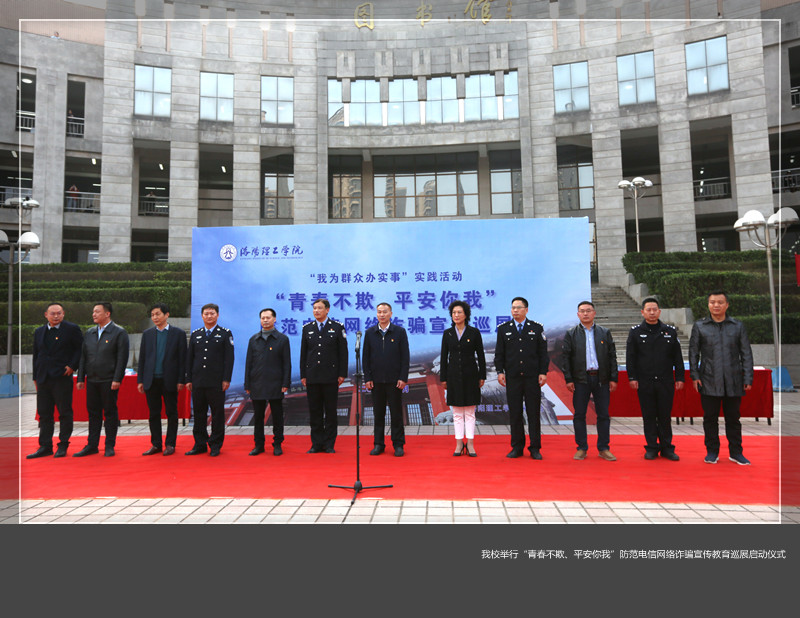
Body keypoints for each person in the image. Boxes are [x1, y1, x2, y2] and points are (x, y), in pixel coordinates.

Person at [689, 290, 754, 465]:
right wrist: (695, 375)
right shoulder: (700, 326)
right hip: (708, 379)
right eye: (712, 302)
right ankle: (712, 451)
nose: (716, 305)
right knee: (710, 418)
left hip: (733, 379)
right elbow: (693, 353)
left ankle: (736, 452)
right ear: (708, 304)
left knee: (733, 418)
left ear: (727, 305)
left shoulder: (737, 326)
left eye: (720, 302)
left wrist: (748, 377)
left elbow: (746, 353)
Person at [625, 297, 684, 461]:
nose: (652, 312)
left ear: (659, 311)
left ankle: (667, 448)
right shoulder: (635, 332)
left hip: (666, 381)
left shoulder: (670, 331)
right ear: (642, 312)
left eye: (654, 309)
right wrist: (632, 377)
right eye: (648, 310)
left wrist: (680, 377)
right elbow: (631, 357)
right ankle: (651, 447)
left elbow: (677, 357)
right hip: (645, 381)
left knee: (665, 415)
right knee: (649, 415)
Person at [561, 300, 618, 461]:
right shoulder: (571, 334)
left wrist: (613, 378)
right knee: (579, 414)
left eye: (588, 310)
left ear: (594, 313)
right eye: (582, 311)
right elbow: (566, 358)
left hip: (601, 379)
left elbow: (612, 356)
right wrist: (568, 379)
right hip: (580, 379)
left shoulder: (604, 332)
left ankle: (604, 448)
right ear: (578, 314)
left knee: (603, 414)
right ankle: (581, 448)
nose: (585, 313)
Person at [495, 296, 550, 460]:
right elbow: (499, 353)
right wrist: (500, 371)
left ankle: (535, 448)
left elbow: (543, 354)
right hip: (513, 377)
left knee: (533, 413)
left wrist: (543, 372)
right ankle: (517, 447)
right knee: (515, 413)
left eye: (518, 308)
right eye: (513, 308)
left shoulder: (536, 328)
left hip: (532, 377)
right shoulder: (504, 329)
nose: (515, 310)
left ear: (526, 310)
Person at [28, 302, 83, 459]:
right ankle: (45, 446)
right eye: (53, 313)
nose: (56, 316)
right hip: (43, 378)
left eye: (59, 313)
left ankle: (63, 444)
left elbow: (80, 349)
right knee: (44, 414)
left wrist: (72, 366)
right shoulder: (39, 331)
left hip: (61, 377)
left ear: (63, 314)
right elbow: (36, 355)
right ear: (46, 315)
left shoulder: (71, 329)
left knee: (65, 412)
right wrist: (35, 376)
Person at [75, 302, 130, 457]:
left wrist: (117, 378)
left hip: (109, 380)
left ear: (107, 314)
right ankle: (92, 445)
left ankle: (109, 445)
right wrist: (81, 377)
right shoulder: (90, 332)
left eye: (97, 311)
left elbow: (122, 358)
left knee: (110, 413)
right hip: (92, 380)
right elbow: (83, 356)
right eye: (93, 312)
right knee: (93, 413)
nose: (94, 314)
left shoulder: (119, 332)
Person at [137, 303, 187, 457]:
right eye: (152, 315)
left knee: (172, 412)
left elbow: (182, 359)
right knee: (153, 414)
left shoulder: (178, 334)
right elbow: (142, 358)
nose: (155, 317)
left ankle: (170, 444)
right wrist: (140, 380)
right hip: (151, 380)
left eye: (158, 314)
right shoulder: (148, 334)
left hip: (170, 379)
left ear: (167, 315)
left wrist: (181, 380)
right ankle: (156, 444)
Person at [185, 303, 234, 457]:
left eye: (212, 313)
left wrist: (226, 379)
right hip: (198, 381)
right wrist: (188, 378)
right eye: (206, 314)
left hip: (216, 382)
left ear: (217, 315)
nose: (209, 316)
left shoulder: (225, 333)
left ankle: (215, 444)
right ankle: (199, 444)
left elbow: (229, 359)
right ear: (202, 316)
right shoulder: (196, 334)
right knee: (199, 413)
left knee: (217, 414)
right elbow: (190, 358)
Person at [300, 298, 348, 453]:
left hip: (331, 376)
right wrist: (303, 374)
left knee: (330, 411)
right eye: (314, 308)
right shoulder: (307, 328)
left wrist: (342, 374)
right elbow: (303, 354)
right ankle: (316, 443)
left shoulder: (337, 327)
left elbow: (343, 353)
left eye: (319, 308)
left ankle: (329, 444)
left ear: (327, 310)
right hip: (312, 376)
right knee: (315, 411)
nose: (316, 311)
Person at [362, 302, 410, 457]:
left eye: (384, 312)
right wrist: (367, 377)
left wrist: (403, 377)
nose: (381, 314)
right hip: (376, 381)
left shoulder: (399, 332)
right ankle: (378, 444)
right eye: (379, 312)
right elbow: (365, 358)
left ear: (391, 314)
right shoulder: (370, 333)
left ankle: (398, 444)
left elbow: (405, 357)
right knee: (378, 414)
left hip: (394, 381)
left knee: (396, 414)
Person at [439, 300, 486, 457]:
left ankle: (470, 443)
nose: (456, 315)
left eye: (459, 312)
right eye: (453, 313)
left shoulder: (474, 332)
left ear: (466, 315)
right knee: (457, 412)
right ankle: (459, 443)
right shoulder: (447, 333)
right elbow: (444, 357)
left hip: (471, 375)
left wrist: (482, 375)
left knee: (470, 412)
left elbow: (481, 355)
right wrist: (443, 378)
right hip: (453, 376)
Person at [244, 308, 291, 456]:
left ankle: (277, 444)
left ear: (274, 319)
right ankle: (259, 445)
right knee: (258, 417)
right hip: (257, 383)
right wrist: (247, 384)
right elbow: (248, 363)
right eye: (263, 318)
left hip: (275, 383)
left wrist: (285, 383)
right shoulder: (253, 339)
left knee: (277, 416)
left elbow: (286, 364)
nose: (265, 320)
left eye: (268, 318)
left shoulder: (282, 339)